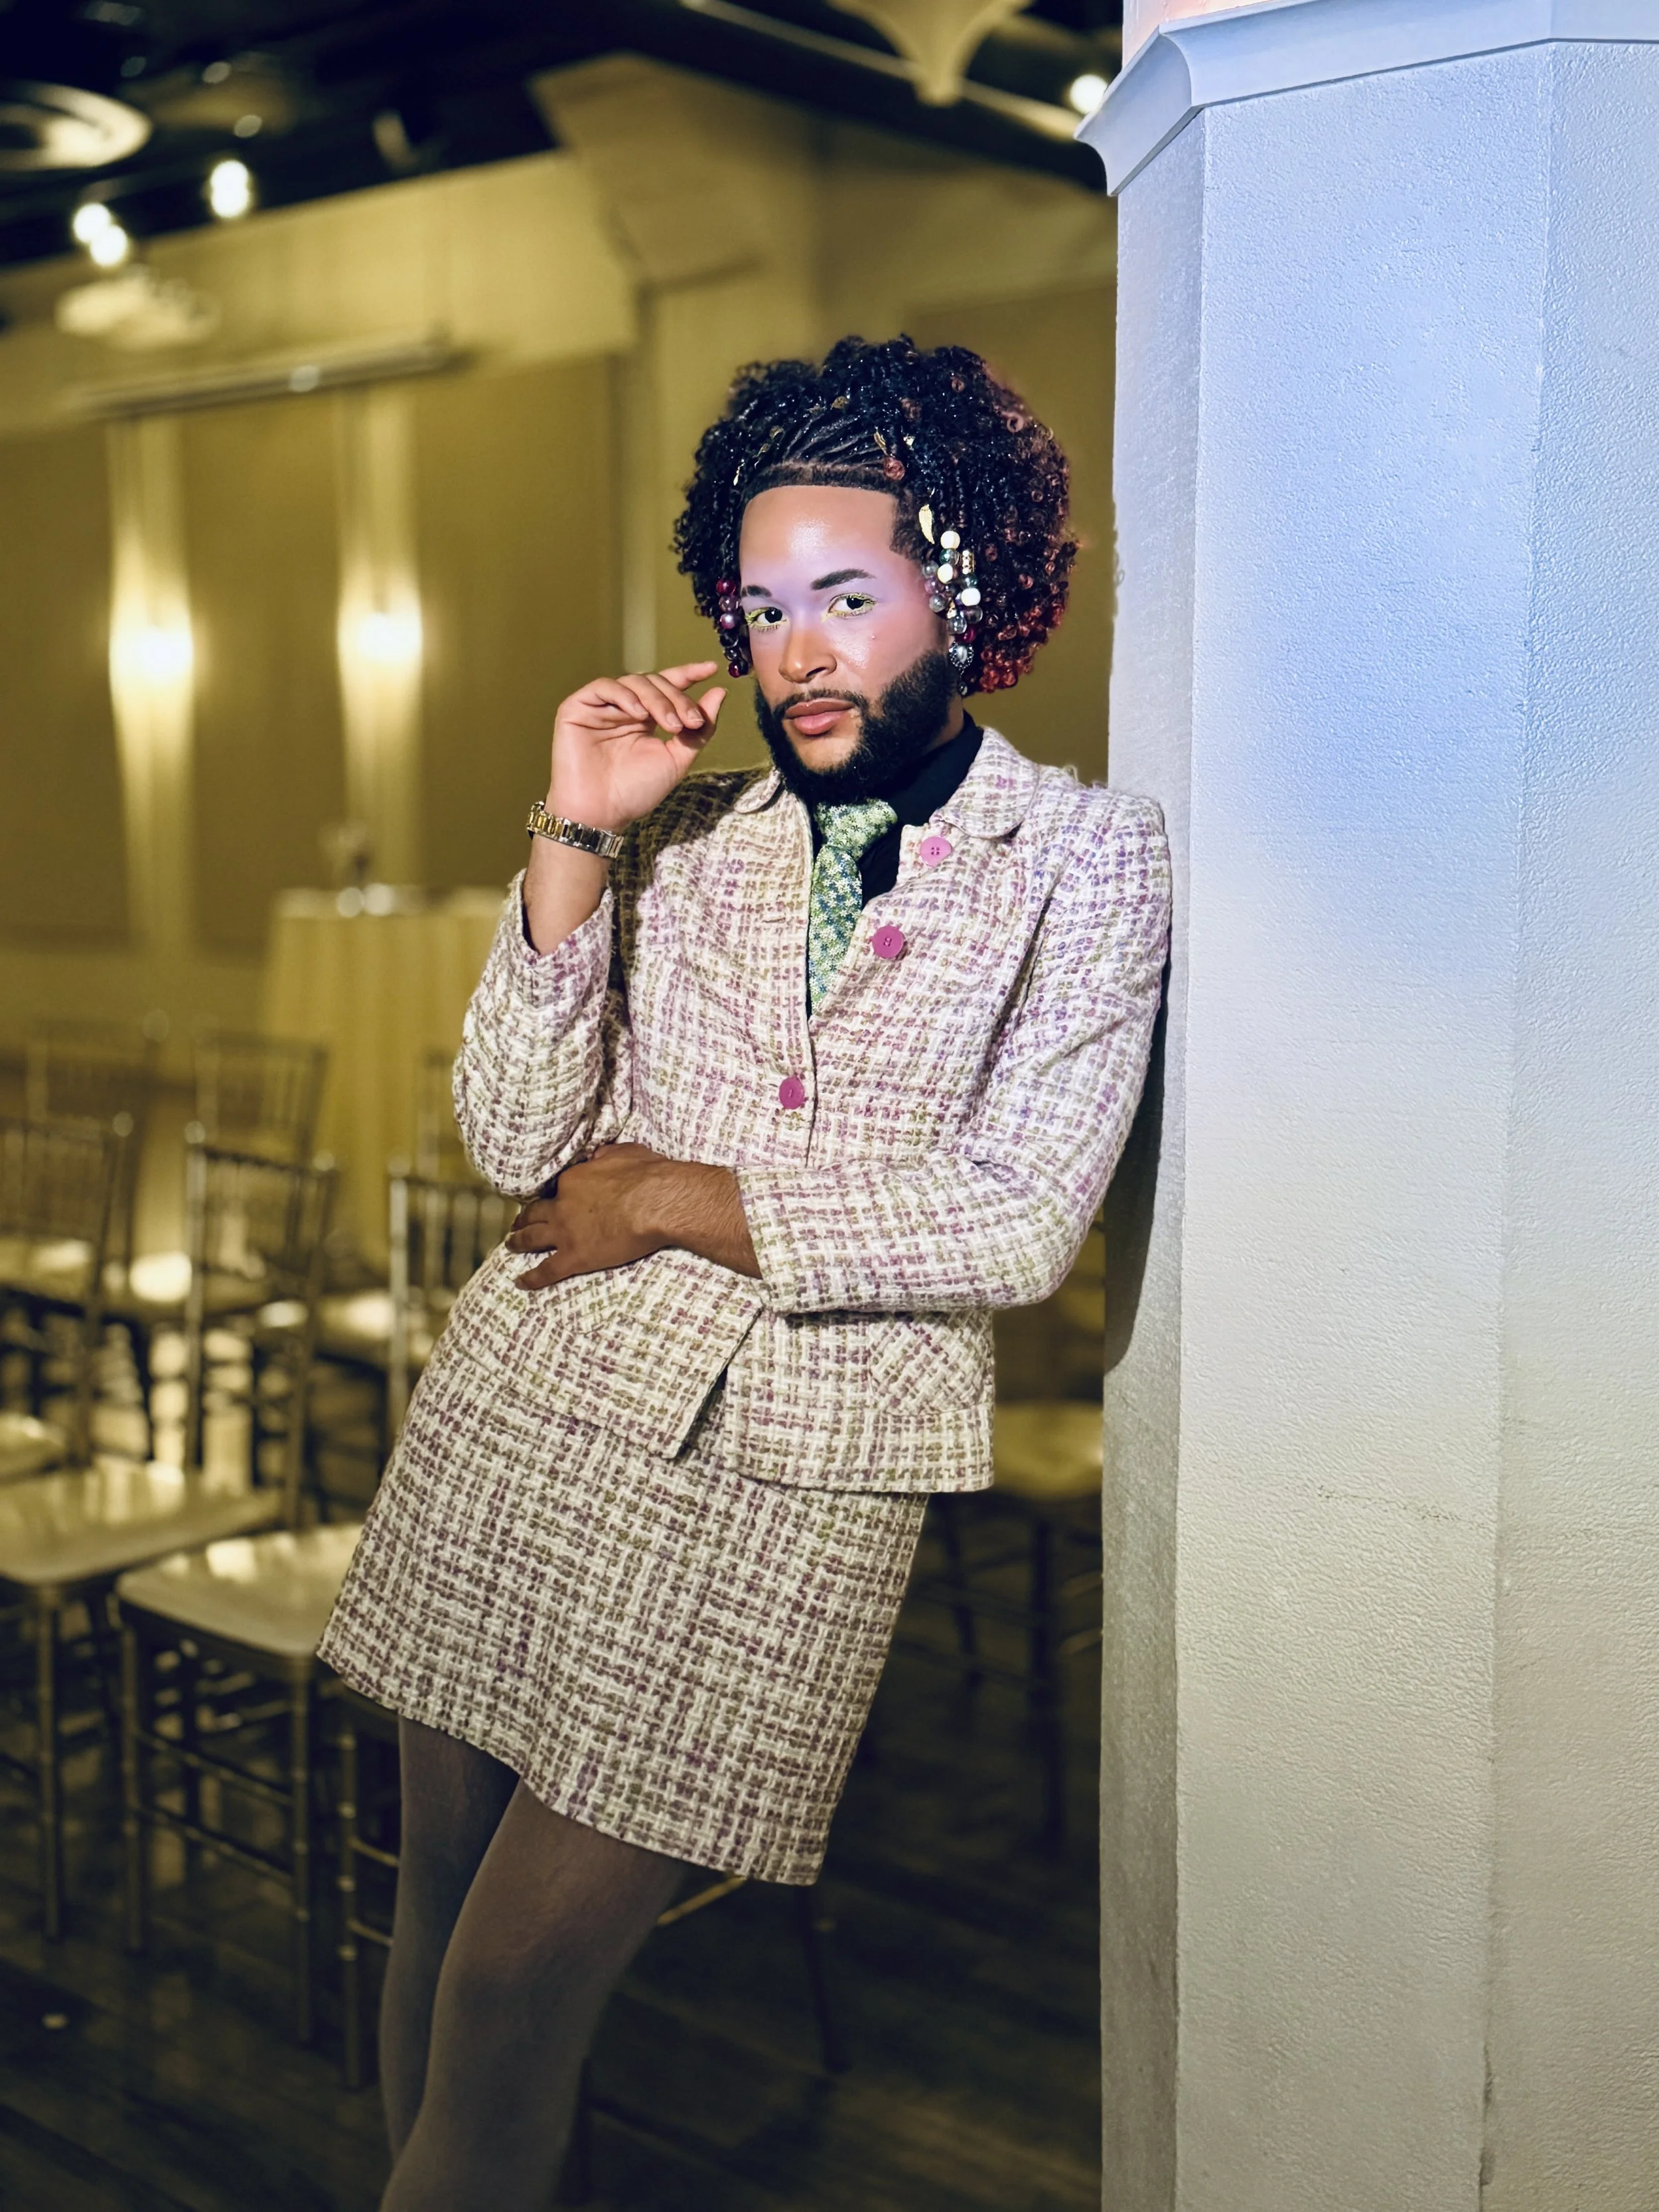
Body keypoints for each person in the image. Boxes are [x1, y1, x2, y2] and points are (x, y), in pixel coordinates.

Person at [319, 334, 1171, 2210]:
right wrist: (569, 837)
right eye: (760, 603)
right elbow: (511, 1136)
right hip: (528, 1411)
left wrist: (671, 1196)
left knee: (518, 1981)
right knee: (435, 1917)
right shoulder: (687, 836)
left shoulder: (1084, 861)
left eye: (845, 597)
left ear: (965, 585)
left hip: (794, 1489)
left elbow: (1016, 1216)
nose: (793, 649)